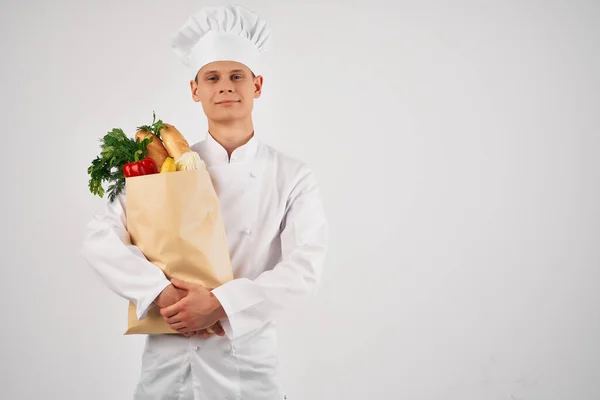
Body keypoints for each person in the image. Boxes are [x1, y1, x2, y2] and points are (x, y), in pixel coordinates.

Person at [80, 4, 329, 400]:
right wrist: (159, 293)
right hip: (169, 364)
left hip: (247, 369)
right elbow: (100, 238)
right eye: (212, 77)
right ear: (195, 91)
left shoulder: (291, 175)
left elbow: (304, 269)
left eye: (237, 76)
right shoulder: (161, 167)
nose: (225, 86)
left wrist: (221, 304)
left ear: (257, 85)